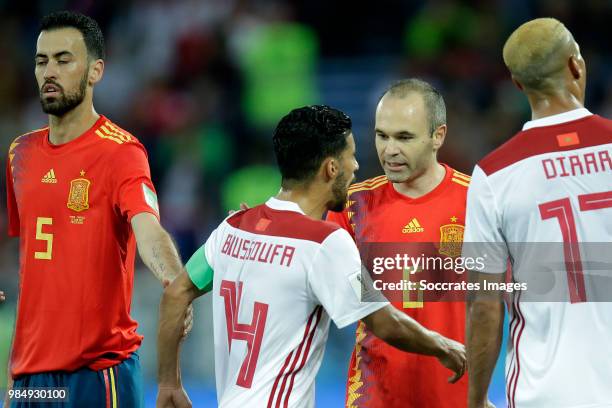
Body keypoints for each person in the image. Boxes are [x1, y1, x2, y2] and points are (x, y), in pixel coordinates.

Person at [156, 105, 466, 408]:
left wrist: (169, 384)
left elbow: (176, 293)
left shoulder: (232, 228)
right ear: (331, 168)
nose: (356, 166)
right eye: (351, 156)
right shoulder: (324, 242)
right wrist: (443, 346)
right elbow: (383, 322)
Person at [4, 11, 189, 407]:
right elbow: (27, 258)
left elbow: (149, 229)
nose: (49, 71)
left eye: (64, 59)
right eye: (42, 61)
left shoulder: (121, 151)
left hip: (97, 372)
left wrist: (175, 280)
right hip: (28, 375)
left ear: (95, 71)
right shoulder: (20, 153)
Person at [464, 18, 612, 408]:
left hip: (546, 392)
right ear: (576, 66)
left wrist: (476, 399)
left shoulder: (493, 175)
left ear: (518, 85)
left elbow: (484, 303)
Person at [326, 78, 470, 408]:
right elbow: (336, 283)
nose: (389, 150)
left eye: (404, 137)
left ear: (438, 136)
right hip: (376, 394)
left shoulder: (478, 200)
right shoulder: (352, 205)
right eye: (382, 135)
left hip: (454, 393)